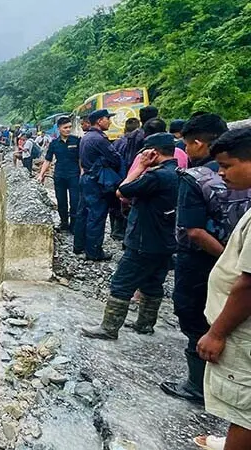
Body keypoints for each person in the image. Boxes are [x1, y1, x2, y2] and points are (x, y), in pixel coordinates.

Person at [161, 114, 251, 405]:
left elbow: (194, 231)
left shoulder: (195, 178)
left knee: (194, 316)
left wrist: (228, 261)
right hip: (235, 259)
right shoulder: (240, 176)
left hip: (203, 262)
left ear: (198, 143)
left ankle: (198, 385)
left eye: (187, 145)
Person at [82, 133, 180, 340]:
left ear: (153, 152)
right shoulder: (178, 173)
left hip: (143, 240)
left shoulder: (156, 177)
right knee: (153, 283)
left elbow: (123, 190)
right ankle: (145, 324)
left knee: (121, 282)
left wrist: (139, 167)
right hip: (165, 240)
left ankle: (109, 328)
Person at [195, 127, 251, 450]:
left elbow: (249, 284)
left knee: (245, 407)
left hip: (241, 332)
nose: (221, 173)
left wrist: (217, 332)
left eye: (227, 166)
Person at [73, 109, 122, 261]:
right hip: (96, 181)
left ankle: (79, 245)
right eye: (107, 118)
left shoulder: (86, 137)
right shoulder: (100, 139)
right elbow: (115, 158)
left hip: (86, 178)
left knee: (83, 213)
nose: (109, 121)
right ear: (100, 121)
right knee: (97, 215)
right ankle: (94, 252)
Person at [38, 116, 80, 232]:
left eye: (69, 127)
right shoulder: (54, 144)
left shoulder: (76, 141)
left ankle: (74, 225)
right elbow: (48, 160)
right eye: (65, 127)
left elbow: (81, 159)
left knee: (75, 201)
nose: (68, 129)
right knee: (61, 201)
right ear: (59, 128)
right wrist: (41, 174)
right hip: (59, 176)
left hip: (74, 176)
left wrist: (82, 173)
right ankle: (64, 223)